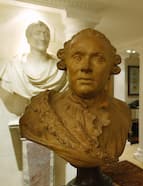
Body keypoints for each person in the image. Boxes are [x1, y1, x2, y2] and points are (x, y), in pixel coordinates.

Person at [19, 28, 131, 168]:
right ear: (65, 64)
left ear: (111, 68)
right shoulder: (40, 113)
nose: (85, 67)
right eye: (77, 57)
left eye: (99, 59)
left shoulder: (122, 112)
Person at [0, 21, 67, 101]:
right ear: (28, 38)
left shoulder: (60, 68)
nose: (43, 38)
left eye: (46, 34)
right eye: (38, 33)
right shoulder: (13, 66)